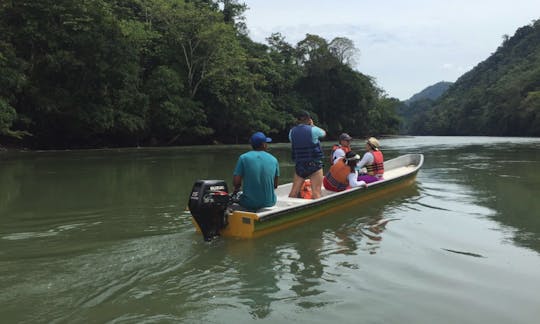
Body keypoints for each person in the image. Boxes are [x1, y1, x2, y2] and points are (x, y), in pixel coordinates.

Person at [233, 132, 280, 210]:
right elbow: (275, 185)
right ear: (264, 144)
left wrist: (235, 191)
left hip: (249, 203)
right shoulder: (274, 159)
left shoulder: (243, 158)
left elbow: (236, 183)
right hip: (270, 202)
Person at [288, 111, 326, 199]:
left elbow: (292, 141)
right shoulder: (313, 130)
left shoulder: (291, 132)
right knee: (316, 193)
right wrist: (312, 125)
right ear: (309, 120)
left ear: (297, 121)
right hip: (314, 165)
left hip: (300, 165)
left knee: (293, 193)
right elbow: (324, 133)